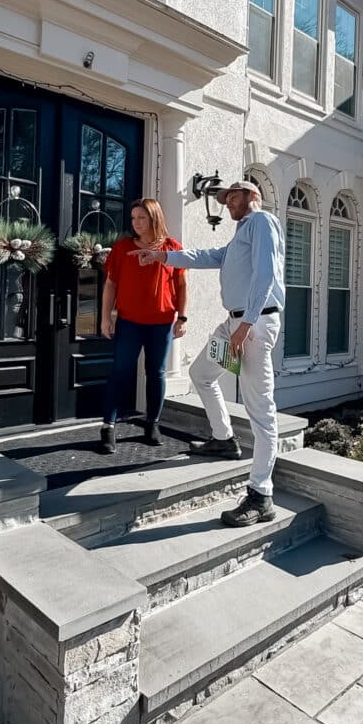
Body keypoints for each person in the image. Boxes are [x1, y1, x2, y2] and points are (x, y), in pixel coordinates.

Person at [131, 180, 285, 527]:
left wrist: (246, 325)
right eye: (225, 198)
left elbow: (266, 274)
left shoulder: (262, 222)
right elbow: (206, 257)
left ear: (253, 197)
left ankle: (261, 496)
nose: (228, 202)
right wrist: (161, 256)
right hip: (234, 324)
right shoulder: (240, 235)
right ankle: (223, 439)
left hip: (254, 325)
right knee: (201, 374)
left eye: (234, 196)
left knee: (260, 411)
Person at [99, 198, 188, 453]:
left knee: (157, 373)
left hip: (161, 324)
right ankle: (108, 426)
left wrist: (182, 318)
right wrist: (106, 317)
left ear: (154, 218)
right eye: (133, 218)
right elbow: (110, 285)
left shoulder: (172, 249)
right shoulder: (123, 248)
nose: (136, 223)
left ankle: (152, 423)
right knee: (120, 371)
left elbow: (182, 286)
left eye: (142, 218)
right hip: (129, 323)